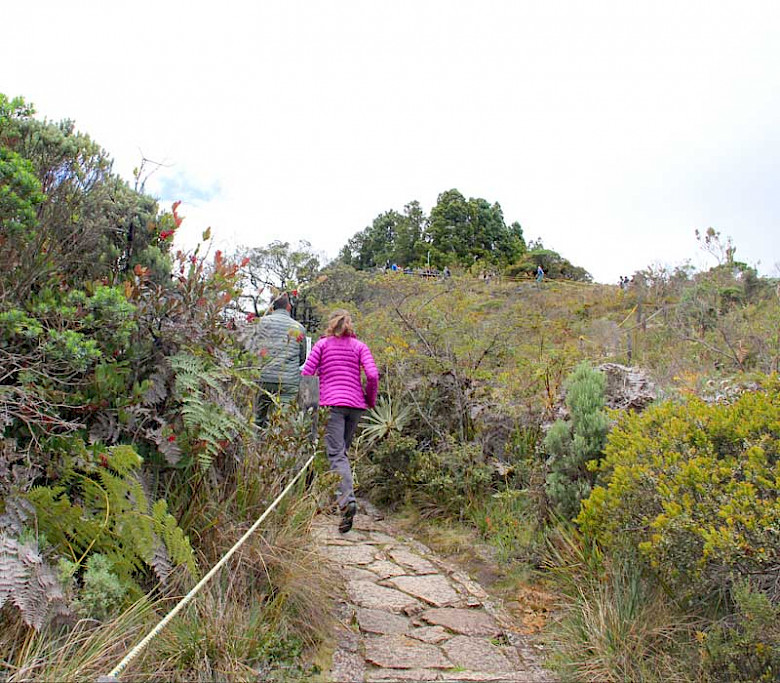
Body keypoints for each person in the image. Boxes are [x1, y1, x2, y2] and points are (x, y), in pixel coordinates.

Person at [301, 309, 379, 533]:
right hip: (355, 406)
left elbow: (307, 373)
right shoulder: (360, 346)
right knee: (341, 454)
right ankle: (345, 507)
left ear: (330, 325)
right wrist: (369, 400)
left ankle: (346, 501)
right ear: (349, 325)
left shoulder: (322, 345)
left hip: (331, 406)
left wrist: (307, 406)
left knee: (335, 455)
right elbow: (372, 375)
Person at [245, 293, 307, 425]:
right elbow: (302, 358)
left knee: (258, 418)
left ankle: (257, 443)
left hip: (262, 377)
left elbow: (251, 351)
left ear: (271, 307)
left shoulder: (260, 323)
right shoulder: (298, 328)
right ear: (289, 307)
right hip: (288, 380)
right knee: (282, 420)